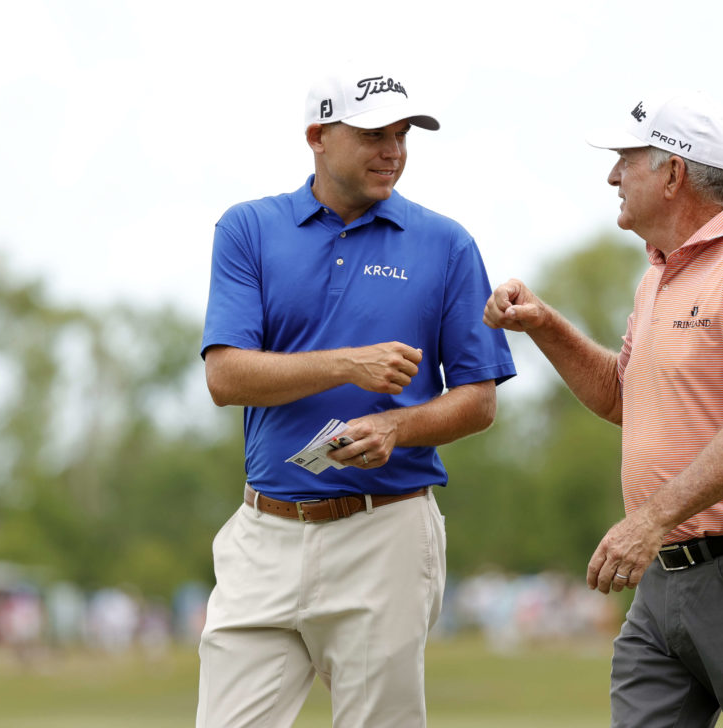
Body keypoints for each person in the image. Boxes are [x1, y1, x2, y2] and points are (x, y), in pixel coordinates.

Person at [483, 89, 723, 727]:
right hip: (663, 581)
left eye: (627, 158)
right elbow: (623, 395)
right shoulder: (658, 276)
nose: (612, 174)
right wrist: (543, 324)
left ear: (672, 173)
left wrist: (648, 522)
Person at [197, 67, 516, 727]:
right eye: (374, 133)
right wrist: (347, 366)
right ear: (318, 135)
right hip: (265, 532)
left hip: (387, 533)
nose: (393, 150)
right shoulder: (248, 229)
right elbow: (225, 377)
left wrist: (398, 428)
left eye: (402, 133)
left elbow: (478, 399)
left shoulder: (447, 245)